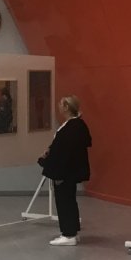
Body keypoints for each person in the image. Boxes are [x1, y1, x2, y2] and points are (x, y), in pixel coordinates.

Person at [38, 95, 92, 246]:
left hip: (65, 172)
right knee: (69, 200)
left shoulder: (71, 128)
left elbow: (65, 152)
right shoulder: (76, 125)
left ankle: (68, 234)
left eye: (61, 104)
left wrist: (56, 170)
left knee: (64, 201)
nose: (59, 107)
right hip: (69, 171)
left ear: (67, 107)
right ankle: (72, 231)